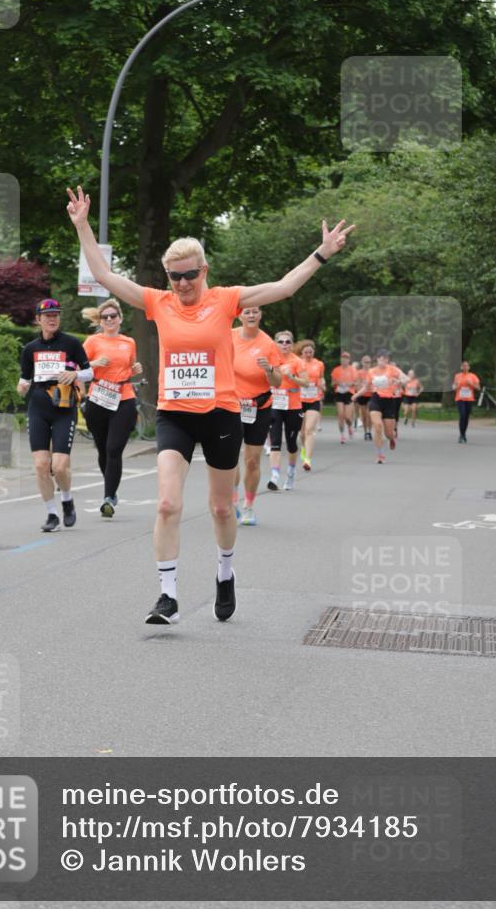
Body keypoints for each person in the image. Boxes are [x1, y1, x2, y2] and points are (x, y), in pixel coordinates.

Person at [67, 185, 354, 625]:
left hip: (221, 413)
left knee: (222, 507)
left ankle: (224, 571)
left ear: (204, 270)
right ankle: (167, 595)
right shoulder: (157, 303)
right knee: (167, 504)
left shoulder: (226, 299)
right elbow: (105, 276)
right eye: (174, 276)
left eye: (189, 275)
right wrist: (83, 225)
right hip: (175, 415)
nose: (182, 284)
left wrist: (322, 253)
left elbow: (282, 288)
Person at [17, 298, 94, 531]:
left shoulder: (70, 343)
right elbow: (24, 381)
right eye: (47, 315)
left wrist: (76, 376)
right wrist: (20, 388)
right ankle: (52, 514)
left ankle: (67, 499)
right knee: (41, 465)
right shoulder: (30, 349)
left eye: (56, 315)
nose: (52, 318)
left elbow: (89, 371)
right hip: (38, 408)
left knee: (59, 466)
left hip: (63, 408)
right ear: (38, 319)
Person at [81, 299, 142, 518]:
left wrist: (136, 369)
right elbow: (76, 366)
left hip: (123, 397)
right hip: (98, 397)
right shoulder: (92, 341)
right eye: (105, 317)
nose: (109, 320)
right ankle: (111, 488)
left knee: (114, 448)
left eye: (113, 316)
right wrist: (94, 365)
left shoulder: (129, 342)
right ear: (100, 320)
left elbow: (131, 367)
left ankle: (109, 497)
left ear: (120, 319)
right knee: (103, 449)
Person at [231, 306, 282, 525]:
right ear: (239, 315)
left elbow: (277, 382)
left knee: (252, 461)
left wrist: (269, 369)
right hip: (231, 405)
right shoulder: (228, 336)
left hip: (259, 406)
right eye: (247, 312)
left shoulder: (268, 344)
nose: (251, 315)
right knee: (229, 458)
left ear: (260, 315)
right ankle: (232, 501)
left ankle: (249, 505)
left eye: (255, 312)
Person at [267, 331, 308, 492]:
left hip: (293, 406)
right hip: (275, 405)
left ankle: (290, 473)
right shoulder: (272, 359)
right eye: (281, 342)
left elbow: (306, 382)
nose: (284, 344)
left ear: (292, 344)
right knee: (275, 443)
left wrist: (292, 377)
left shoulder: (297, 361)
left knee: (291, 444)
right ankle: (274, 476)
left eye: (287, 342)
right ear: (275, 343)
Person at [352, 350, 407, 464]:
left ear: (388, 360)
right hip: (376, 399)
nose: (383, 360)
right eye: (381, 358)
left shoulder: (392, 369)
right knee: (377, 426)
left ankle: (391, 439)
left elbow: (406, 379)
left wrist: (399, 381)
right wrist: (356, 395)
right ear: (377, 359)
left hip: (390, 401)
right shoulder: (372, 371)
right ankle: (380, 454)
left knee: (388, 433)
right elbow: (366, 387)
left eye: (386, 358)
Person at [293, 339, 325, 471]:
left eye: (310, 352)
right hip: (299, 400)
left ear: (313, 352)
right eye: (306, 352)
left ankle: (308, 460)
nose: (308, 354)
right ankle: (303, 448)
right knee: (301, 433)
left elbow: (321, 377)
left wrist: (322, 384)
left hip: (313, 400)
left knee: (309, 430)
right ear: (301, 352)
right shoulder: (296, 363)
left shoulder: (319, 364)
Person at [331, 351, 357, 443]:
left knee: (348, 417)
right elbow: (332, 383)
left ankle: (350, 426)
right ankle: (342, 435)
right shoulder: (336, 370)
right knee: (341, 414)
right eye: (343, 358)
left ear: (349, 360)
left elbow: (356, 383)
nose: (344, 360)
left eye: (346, 358)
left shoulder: (353, 370)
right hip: (339, 393)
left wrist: (350, 383)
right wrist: (338, 382)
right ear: (341, 359)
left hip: (349, 393)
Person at [453, 360, 481, 443]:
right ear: (461, 367)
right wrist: (456, 386)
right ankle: (461, 435)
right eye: (463, 366)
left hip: (469, 399)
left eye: (466, 365)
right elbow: (454, 388)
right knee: (462, 415)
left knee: (466, 417)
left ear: (469, 367)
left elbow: (478, 388)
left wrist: (471, 384)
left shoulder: (473, 376)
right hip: (460, 398)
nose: (465, 367)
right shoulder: (457, 376)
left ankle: (463, 434)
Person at [354, 355, 373, 440]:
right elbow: (357, 385)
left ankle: (369, 431)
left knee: (369, 414)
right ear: (362, 363)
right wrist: (361, 389)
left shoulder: (373, 372)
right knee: (364, 415)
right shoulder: (359, 373)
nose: (367, 364)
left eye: (368, 362)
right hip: (362, 395)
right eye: (365, 362)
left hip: (371, 395)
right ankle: (365, 432)